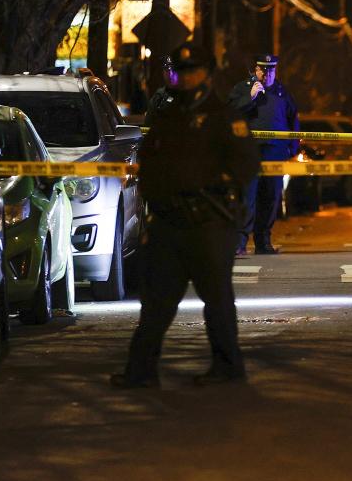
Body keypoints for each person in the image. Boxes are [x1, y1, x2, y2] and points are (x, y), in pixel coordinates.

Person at [111, 41, 260, 388]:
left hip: (209, 220)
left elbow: (246, 164)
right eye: (181, 71)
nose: (187, 77)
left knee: (218, 300)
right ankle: (141, 372)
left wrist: (209, 184)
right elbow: (150, 164)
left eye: (193, 70)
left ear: (206, 73)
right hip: (168, 222)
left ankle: (227, 367)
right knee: (156, 304)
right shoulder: (166, 114)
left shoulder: (224, 116)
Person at [228, 53, 299, 255]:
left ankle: (263, 242)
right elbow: (229, 113)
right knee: (247, 197)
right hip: (249, 151)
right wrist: (249, 97)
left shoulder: (282, 92)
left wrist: (292, 147)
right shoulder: (243, 88)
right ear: (256, 70)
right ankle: (240, 243)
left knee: (271, 197)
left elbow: (293, 118)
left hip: (275, 151)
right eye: (263, 70)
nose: (267, 74)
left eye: (271, 70)